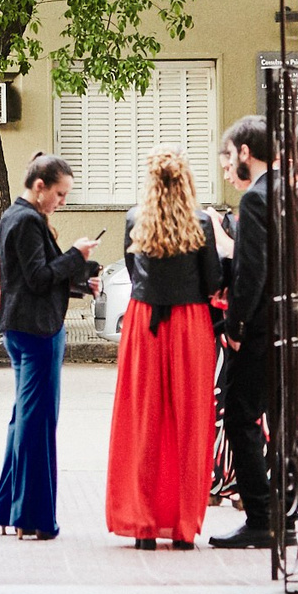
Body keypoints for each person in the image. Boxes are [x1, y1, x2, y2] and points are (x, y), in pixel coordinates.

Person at [107, 149, 223, 547]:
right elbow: (213, 282)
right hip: (190, 323)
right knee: (190, 422)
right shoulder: (202, 223)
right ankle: (184, 528)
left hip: (145, 323)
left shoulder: (134, 220)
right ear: (186, 180)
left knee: (143, 420)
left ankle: (143, 526)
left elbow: (130, 265)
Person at [0, 153, 99, 539]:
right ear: (40, 187)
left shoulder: (15, 216)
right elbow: (38, 278)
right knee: (37, 424)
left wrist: (81, 280)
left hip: (22, 327)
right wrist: (76, 256)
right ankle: (32, 516)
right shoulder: (28, 221)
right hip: (37, 331)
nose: (62, 201)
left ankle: (11, 509)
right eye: (60, 193)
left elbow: (29, 277)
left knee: (24, 419)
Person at [212, 114, 278, 548]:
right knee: (279, 418)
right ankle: (282, 508)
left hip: (255, 329)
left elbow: (252, 270)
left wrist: (234, 324)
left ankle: (261, 517)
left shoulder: (255, 198)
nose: (225, 170)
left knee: (240, 417)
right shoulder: (287, 187)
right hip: (282, 323)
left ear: (243, 153)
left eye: (227, 160)